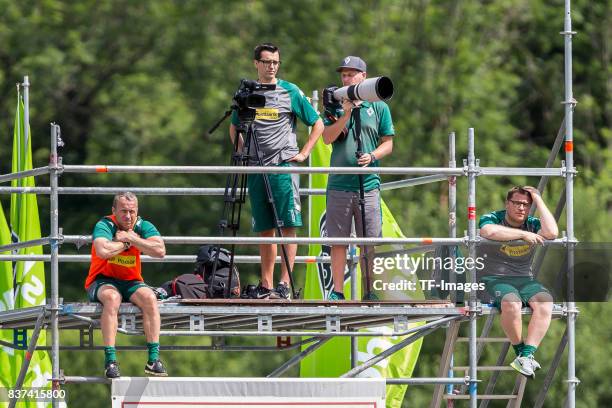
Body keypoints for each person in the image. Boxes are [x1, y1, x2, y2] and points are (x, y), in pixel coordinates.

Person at [229, 43, 324, 299]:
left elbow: (317, 123)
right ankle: (266, 284)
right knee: (265, 227)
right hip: (257, 168)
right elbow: (234, 126)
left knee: (288, 225)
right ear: (256, 63)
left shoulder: (289, 91)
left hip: (283, 165)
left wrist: (304, 153)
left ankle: (284, 284)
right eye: (267, 61)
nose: (272, 66)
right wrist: (244, 154)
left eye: (276, 62)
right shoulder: (248, 92)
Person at [322, 56, 394, 301]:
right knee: (338, 242)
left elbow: (388, 143)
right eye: (344, 74)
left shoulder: (379, 107)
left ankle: (369, 290)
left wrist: (372, 156)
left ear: (364, 76)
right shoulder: (334, 105)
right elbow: (327, 138)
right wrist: (345, 113)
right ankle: (337, 291)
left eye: (352, 74)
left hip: (369, 185)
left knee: (368, 243)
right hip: (340, 185)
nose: (347, 78)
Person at [478, 186, 558, 378]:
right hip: (494, 278)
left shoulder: (531, 222)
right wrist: (522, 235)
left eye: (526, 204)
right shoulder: (494, 217)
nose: (522, 208)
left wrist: (538, 199)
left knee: (546, 302)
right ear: (507, 203)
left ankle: (526, 356)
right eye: (517, 203)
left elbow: (552, 232)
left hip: (523, 278)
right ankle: (521, 352)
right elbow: (488, 231)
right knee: (511, 303)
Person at [84, 192, 167, 378]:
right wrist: (130, 244)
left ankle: (153, 360)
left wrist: (130, 239)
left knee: (150, 298)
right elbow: (103, 250)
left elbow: (160, 250)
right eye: (123, 211)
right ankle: (110, 361)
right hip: (102, 280)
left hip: (131, 282)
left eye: (132, 211)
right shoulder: (105, 224)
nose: (128, 216)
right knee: (113, 298)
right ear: (114, 210)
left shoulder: (142, 225)